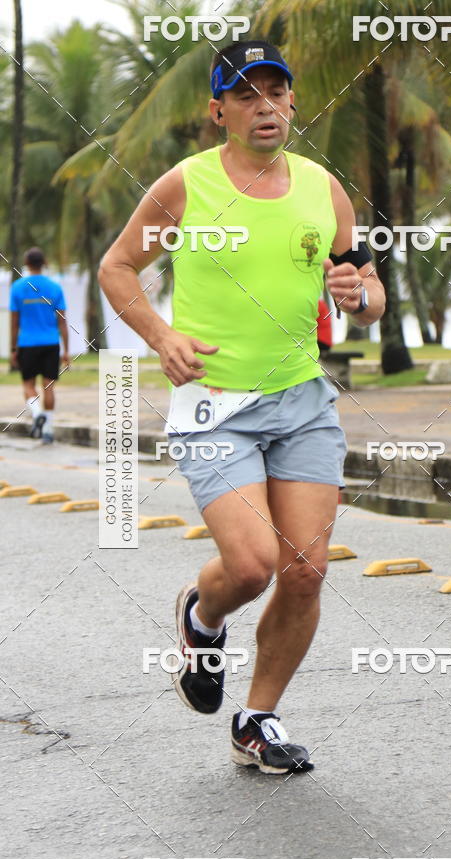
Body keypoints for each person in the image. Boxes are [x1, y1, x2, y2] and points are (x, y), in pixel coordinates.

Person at [99, 39, 386, 774]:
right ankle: (202, 616)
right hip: (213, 406)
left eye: (275, 92)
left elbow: (367, 287)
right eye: (246, 93)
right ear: (218, 108)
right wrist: (160, 335)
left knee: (306, 569)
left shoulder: (325, 189)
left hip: (302, 401)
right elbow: (118, 266)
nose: (264, 106)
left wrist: (362, 298)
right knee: (254, 564)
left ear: (292, 102)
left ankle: (257, 718)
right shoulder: (184, 187)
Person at [10, 247, 70, 444]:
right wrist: (67, 350)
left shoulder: (18, 287)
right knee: (49, 387)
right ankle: (48, 430)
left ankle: (37, 414)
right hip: (51, 342)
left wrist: (13, 349)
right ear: (43, 263)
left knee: (28, 384)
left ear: (26, 263)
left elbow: (14, 321)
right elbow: (62, 321)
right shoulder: (54, 287)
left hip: (27, 343)